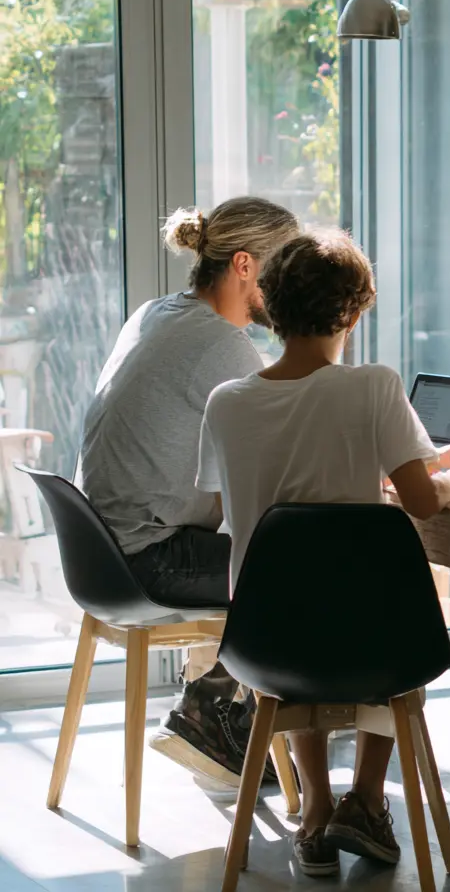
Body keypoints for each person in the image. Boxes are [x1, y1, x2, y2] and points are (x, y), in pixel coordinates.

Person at [195, 229, 450, 876]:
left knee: (300, 592)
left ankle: (313, 813)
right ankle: (365, 798)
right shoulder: (371, 388)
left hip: (264, 641)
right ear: (356, 311)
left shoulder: (226, 404)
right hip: (374, 646)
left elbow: (232, 507)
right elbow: (422, 501)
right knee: (390, 601)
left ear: (271, 306)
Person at [79, 196, 300, 787]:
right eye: (282, 272)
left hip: (99, 552)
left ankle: (229, 711)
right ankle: (213, 712)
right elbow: (278, 464)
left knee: (261, 542)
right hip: (148, 559)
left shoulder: (158, 313)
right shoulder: (223, 346)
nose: (289, 290)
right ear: (246, 266)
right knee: (296, 567)